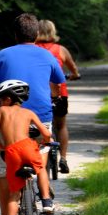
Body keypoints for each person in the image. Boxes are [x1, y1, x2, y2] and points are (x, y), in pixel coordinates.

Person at [0, 13, 65, 215]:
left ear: (15, 34)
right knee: (40, 159)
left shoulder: (3, 55)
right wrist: (53, 96)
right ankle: (44, 195)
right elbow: (58, 83)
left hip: (10, 124)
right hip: (41, 118)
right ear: (36, 34)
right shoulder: (47, 56)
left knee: (5, 174)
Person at [0, 80, 52, 215]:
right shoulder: (29, 113)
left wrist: (1, 148)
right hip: (28, 147)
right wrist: (48, 141)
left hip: (11, 152)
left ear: (9, 99)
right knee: (41, 168)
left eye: (1, 99)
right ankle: (46, 201)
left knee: (14, 194)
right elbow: (45, 133)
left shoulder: (2, 111)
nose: (0, 103)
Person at [35, 19, 80, 174]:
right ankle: (64, 158)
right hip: (59, 94)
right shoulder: (60, 50)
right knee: (61, 126)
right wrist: (74, 75)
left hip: (37, 93)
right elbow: (73, 69)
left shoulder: (33, 49)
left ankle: (36, 155)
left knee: (37, 125)